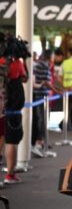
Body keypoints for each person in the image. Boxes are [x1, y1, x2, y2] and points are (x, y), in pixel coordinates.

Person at [0, 56, 28, 184]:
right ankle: (9, 175)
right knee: (11, 141)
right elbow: (24, 77)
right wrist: (24, 61)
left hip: (3, 110)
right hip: (11, 111)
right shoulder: (15, 62)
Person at [31, 50, 61, 157]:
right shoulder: (44, 65)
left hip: (38, 95)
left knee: (41, 119)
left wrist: (56, 89)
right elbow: (47, 82)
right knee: (42, 119)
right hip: (41, 95)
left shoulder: (39, 64)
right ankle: (40, 142)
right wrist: (57, 90)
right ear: (50, 56)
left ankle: (41, 141)